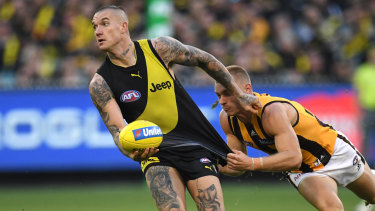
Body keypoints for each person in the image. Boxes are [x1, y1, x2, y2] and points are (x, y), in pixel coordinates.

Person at [89, 5, 261, 211]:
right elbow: (118, 132)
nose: (98, 31)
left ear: (123, 26)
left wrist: (239, 94)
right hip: (155, 151)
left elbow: (205, 59)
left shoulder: (159, 48)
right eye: (95, 26)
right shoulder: (100, 84)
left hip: (194, 143)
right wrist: (130, 152)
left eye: (104, 24)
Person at [214, 65, 375, 211]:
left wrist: (252, 163)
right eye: (219, 95)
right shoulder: (227, 119)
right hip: (303, 170)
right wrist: (214, 166)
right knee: (332, 208)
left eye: (227, 93)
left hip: (334, 152)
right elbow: (238, 166)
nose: (222, 101)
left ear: (247, 89)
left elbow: (293, 157)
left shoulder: (271, 111)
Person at [353, 47, 375, 168]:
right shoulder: (362, 71)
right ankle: (364, 166)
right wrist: (358, 111)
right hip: (367, 109)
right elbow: (356, 92)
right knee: (365, 138)